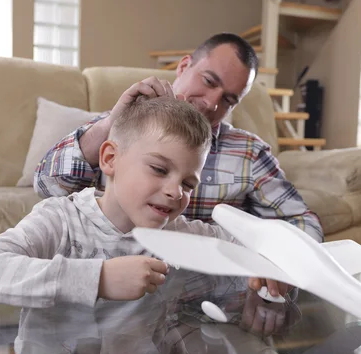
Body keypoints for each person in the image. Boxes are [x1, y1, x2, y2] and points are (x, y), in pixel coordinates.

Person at [0, 96, 279, 354]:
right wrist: (96, 278)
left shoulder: (182, 233)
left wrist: (272, 268)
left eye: (188, 183)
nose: (176, 192)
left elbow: (257, 248)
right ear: (110, 158)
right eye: (159, 169)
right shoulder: (61, 219)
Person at [34, 32, 324, 299]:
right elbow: (47, 186)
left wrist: (279, 265)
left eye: (229, 100)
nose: (212, 103)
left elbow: (301, 221)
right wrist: (111, 123)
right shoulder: (127, 127)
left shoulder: (249, 152)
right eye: (209, 82)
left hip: (205, 298)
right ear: (184, 66)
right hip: (114, 296)